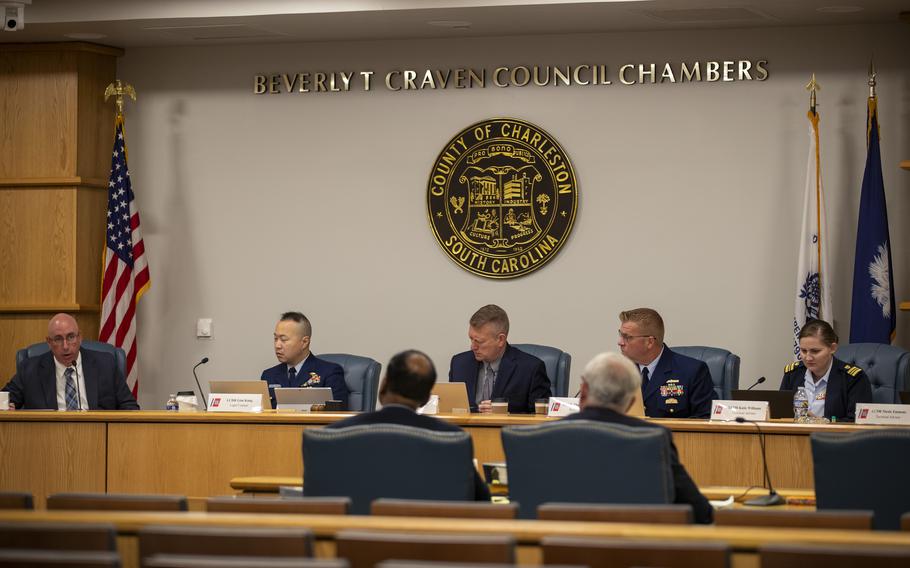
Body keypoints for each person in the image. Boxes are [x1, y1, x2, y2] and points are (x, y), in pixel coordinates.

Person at [564, 351, 713, 523]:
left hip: (557, 544)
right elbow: (699, 512)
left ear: (583, 392)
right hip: (633, 544)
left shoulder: (543, 434)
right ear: (631, 402)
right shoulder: (652, 438)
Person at [328, 349, 491, 501]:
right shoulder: (452, 438)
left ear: (383, 385)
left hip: (356, 530)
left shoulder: (335, 434)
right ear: (427, 398)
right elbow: (481, 501)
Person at [2, 313, 139, 410]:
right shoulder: (30, 369)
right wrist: (5, 407)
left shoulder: (106, 364)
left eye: (71, 337)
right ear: (49, 342)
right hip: (47, 442)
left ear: (80, 337)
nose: (66, 346)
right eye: (58, 339)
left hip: (98, 439)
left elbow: (130, 407)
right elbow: (3, 400)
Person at [449, 304, 551, 414]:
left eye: (479, 341)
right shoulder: (459, 364)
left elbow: (541, 418)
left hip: (508, 430)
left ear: (501, 340)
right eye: (471, 339)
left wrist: (505, 413)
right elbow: (450, 409)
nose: (472, 347)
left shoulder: (530, 369)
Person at [618, 308, 715, 418]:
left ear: (649, 342)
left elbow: (706, 420)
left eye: (627, 337)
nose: (620, 342)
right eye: (620, 335)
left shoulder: (692, 371)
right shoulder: (618, 372)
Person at [780, 319, 872, 422]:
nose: (808, 358)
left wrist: (822, 422)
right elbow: (780, 414)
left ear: (832, 348)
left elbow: (857, 421)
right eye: (804, 351)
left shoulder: (853, 378)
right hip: (793, 436)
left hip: (833, 437)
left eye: (815, 351)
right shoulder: (792, 374)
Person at [261, 311, 349, 409]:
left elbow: (338, 414)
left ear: (304, 342)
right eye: (275, 339)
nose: (277, 345)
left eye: (283, 339)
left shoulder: (329, 372)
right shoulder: (269, 375)